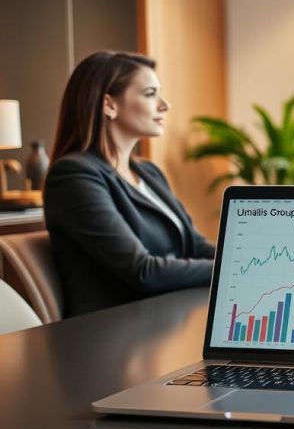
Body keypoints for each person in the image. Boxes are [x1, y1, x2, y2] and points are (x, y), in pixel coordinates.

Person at [44, 51, 216, 316]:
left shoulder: (149, 173)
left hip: (167, 315)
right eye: (150, 94)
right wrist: (230, 270)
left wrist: (242, 262)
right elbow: (142, 271)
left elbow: (195, 245)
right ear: (109, 105)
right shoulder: (74, 176)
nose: (164, 105)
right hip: (115, 331)